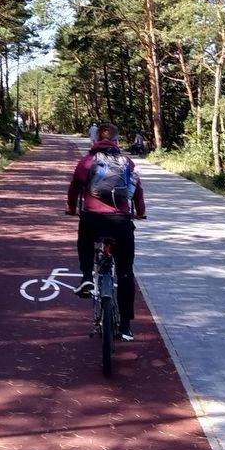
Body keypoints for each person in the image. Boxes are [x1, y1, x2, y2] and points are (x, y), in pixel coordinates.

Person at [65, 123, 146, 341]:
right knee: (125, 272)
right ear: (117, 141)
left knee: (84, 238)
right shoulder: (127, 162)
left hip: (93, 220)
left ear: (95, 140)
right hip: (121, 222)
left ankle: (86, 277)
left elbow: (74, 189)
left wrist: (71, 209)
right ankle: (126, 326)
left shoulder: (86, 162)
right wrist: (141, 212)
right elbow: (137, 189)